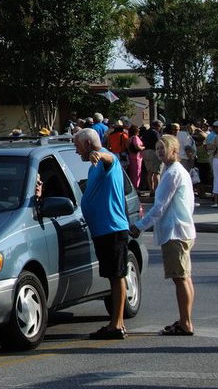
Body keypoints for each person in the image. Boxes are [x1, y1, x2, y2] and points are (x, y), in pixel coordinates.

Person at [131, 134, 196, 336]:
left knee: (181, 278)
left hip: (175, 232)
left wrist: (139, 225)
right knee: (184, 277)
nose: (160, 152)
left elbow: (160, 207)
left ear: (175, 151)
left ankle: (186, 322)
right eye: (158, 148)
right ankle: (185, 319)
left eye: (163, 148)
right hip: (180, 229)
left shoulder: (173, 173)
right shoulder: (170, 171)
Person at [73, 128, 131, 340]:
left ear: (88, 144)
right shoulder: (93, 167)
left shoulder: (107, 159)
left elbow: (110, 159)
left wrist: (100, 154)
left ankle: (116, 325)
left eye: (77, 145)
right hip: (103, 230)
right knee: (112, 275)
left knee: (117, 276)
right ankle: (116, 323)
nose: (75, 149)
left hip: (112, 228)